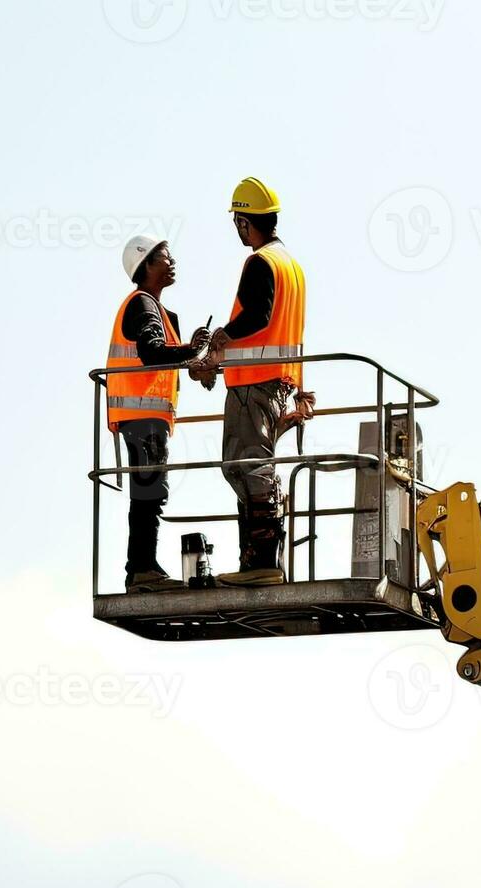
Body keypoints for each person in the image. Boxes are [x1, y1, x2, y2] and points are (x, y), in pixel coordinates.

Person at [190, 178, 314, 587]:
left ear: (245, 223)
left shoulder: (260, 263)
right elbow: (284, 329)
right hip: (277, 383)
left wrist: (221, 339)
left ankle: (262, 562)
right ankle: (256, 561)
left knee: (247, 468)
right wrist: (298, 388)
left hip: (254, 386)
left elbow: (258, 318)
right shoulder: (291, 266)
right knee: (248, 467)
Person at [106, 235, 211, 592]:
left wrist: (192, 357)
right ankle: (142, 570)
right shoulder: (143, 305)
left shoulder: (157, 310)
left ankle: (141, 569)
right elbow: (153, 353)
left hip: (144, 418)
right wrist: (189, 351)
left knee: (149, 490)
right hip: (141, 417)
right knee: (149, 491)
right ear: (146, 265)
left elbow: (165, 355)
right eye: (165, 257)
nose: (172, 261)